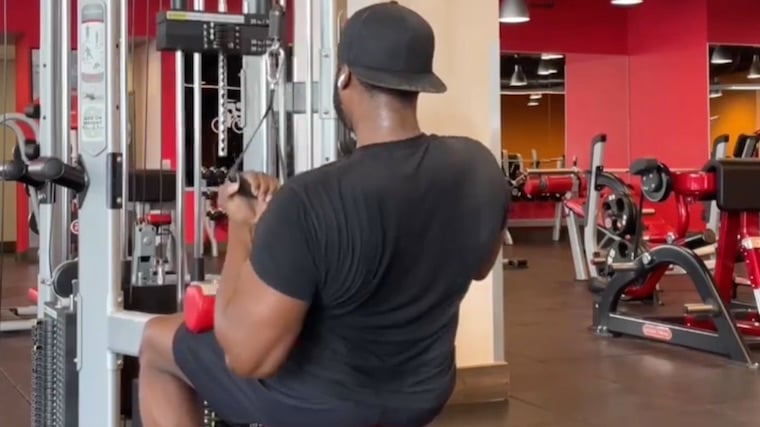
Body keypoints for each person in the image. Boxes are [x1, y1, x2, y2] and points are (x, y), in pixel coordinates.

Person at [137, 2, 509, 426]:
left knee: (155, 341)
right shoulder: (479, 167)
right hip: (423, 392)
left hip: (321, 406)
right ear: (419, 82)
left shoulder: (309, 198)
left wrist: (242, 226)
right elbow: (479, 266)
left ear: (344, 76)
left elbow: (244, 356)